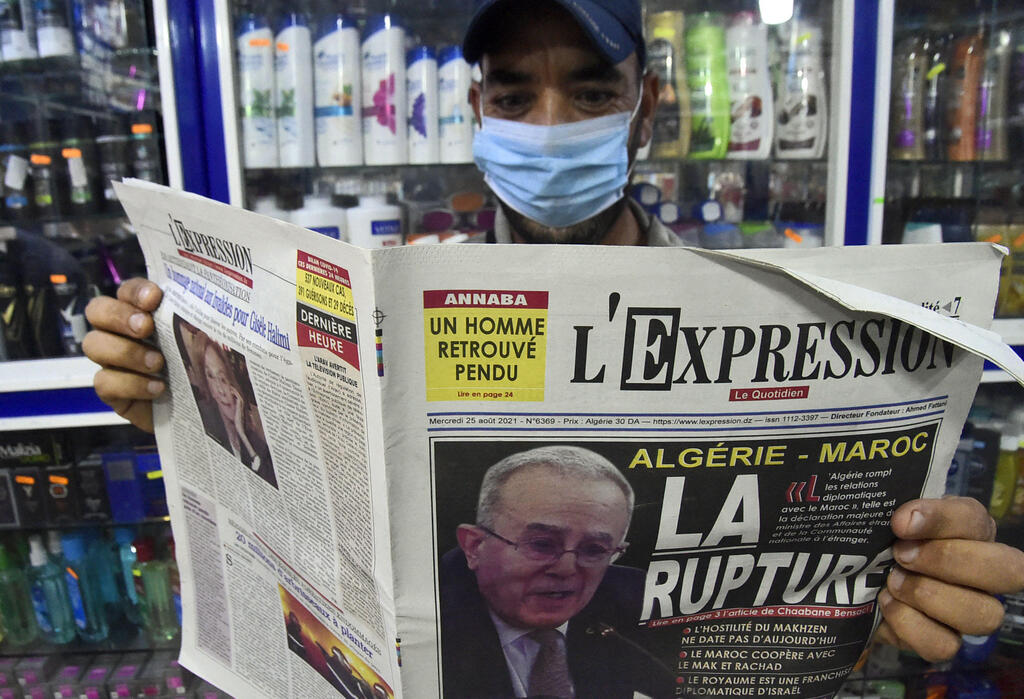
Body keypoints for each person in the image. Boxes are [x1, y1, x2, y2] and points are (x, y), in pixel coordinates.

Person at [82, 0, 1023, 670]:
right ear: (476, 113)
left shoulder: (768, 309)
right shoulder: (384, 306)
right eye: (513, 95)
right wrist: (167, 385)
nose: (547, 126)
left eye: (587, 93)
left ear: (645, 111)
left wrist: (912, 574)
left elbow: (883, 570)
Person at [441, 445, 672, 698]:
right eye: (541, 544)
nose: (566, 569)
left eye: (594, 549)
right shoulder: (432, 610)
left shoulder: (639, 600)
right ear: (475, 547)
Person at [198, 339, 277, 487]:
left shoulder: (256, 443)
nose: (221, 391)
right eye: (210, 376)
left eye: (222, 379)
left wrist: (242, 434)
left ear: (232, 384)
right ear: (206, 384)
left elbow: (267, 483)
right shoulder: (206, 426)